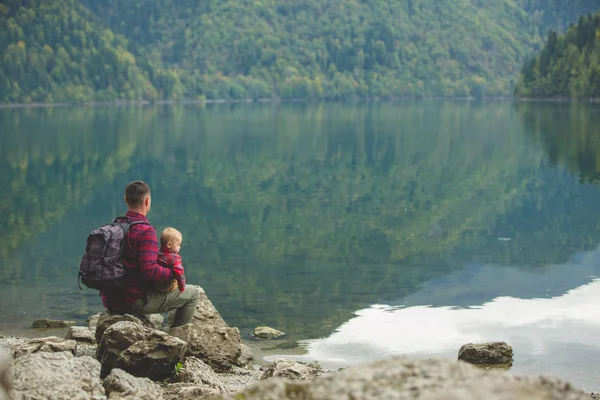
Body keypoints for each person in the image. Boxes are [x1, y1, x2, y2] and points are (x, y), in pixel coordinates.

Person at [100, 180, 199, 328]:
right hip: (132, 302)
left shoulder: (115, 225)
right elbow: (150, 271)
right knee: (193, 293)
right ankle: (177, 342)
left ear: (126, 200)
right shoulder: (146, 231)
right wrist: (173, 273)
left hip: (110, 299)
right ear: (147, 201)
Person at [153, 227, 186, 293]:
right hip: (166, 287)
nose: (180, 247)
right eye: (178, 245)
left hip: (155, 285)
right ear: (169, 245)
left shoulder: (156, 252)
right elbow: (180, 274)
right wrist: (182, 287)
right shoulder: (175, 259)